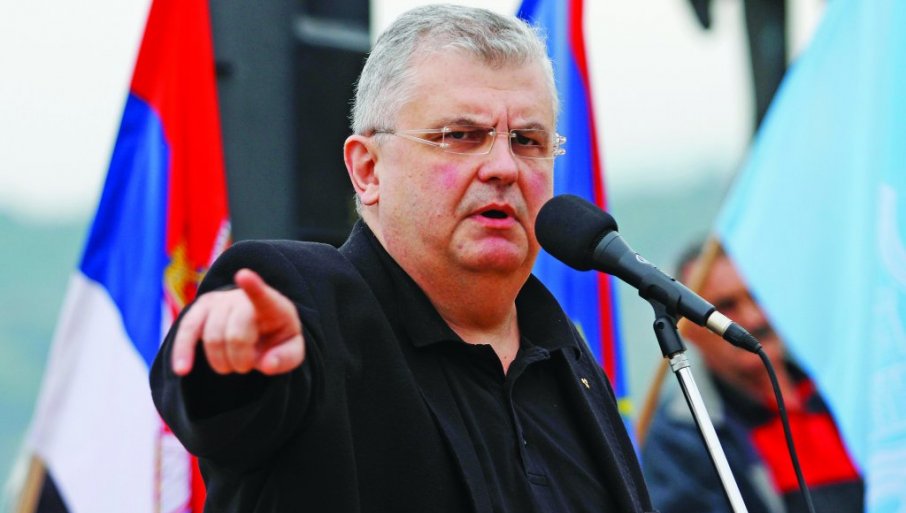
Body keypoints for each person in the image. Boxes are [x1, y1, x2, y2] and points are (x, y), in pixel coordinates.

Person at [150, 5, 654, 513]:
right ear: (368, 170)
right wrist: (231, 354)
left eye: (526, 141)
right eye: (462, 136)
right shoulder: (308, 305)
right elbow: (216, 401)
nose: (504, 167)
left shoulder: (569, 360)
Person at [641, 242, 864, 513]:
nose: (753, 318)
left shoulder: (851, 391)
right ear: (686, 330)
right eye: (726, 308)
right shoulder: (681, 438)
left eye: (759, 295)